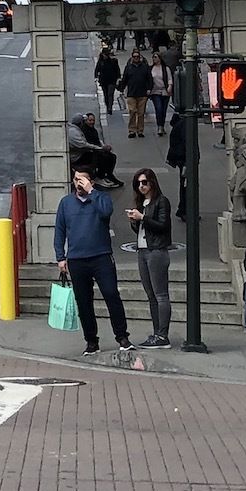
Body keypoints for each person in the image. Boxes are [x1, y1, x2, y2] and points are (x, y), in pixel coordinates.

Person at [54, 166, 132, 356]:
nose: (78, 183)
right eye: (76, 179)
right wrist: (60, 257)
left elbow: (106, 213)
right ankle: (91, 341)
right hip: (77, 259)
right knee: (84, 302)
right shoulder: (65, 203)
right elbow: (60, 231)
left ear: (91, 182)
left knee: (111, 294)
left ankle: (122, 336)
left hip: (101, 256)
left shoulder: (101, 198)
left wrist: (91, 192)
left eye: (82, 179)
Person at [127, 167, 173, 348]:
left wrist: (143, 217)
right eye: (138, 183)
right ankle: (157, 333)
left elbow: (162, 225)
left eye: (144, 182)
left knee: (161, 294)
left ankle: (163, 335)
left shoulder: (162, 201)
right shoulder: (141, 203)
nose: (141, 186)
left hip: (156, 251)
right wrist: (134, 220)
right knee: (151, 294)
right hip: (143, 250)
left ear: (152, 183)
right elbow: (140, 230)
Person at [67, 113, 119, 187]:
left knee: (105, 155)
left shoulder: (78, 130)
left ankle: (104, 176)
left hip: (80, 154)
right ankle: (99, 177)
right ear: (80, 123)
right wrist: (100, 148)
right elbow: (83, 145)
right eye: (85, 121)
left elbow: (95, 141)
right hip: (77, 157)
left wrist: (101, 147)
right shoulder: (73, 132)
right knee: (100, 157)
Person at [119, 49, 153, 139]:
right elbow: (125, 79)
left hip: (142, 93)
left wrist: (149, 89)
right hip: (131, 93)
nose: (136, 58)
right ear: (132, 57)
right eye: (134, 57)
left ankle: (140, 130)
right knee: (132, 111)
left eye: (137, 56)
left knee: (141, 113)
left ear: (140, 57)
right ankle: (132, 130)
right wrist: (122, 89)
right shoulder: (128, 67)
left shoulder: (145, 67)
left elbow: (149, 79)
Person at [166, 109, 187, 221]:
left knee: (185, 185)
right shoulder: (184, 124)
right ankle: (184, 210)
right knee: (187, 186)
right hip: (185, 160)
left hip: (181, 159)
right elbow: (187, 143)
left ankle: (183, 209)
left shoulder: (180, 123)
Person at [148, 49, 173, 137]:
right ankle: (159, 126)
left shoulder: (166, 68)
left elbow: (170, 78)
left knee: (163, 110)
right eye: (153, 57)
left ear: (160, 58)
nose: (154, 59)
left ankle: (162, 125)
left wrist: (169, 86)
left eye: (155, 57)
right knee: (158, 108)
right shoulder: (151, 69)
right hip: (155, 91)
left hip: (164, 91)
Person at [94, 45, 121, 115]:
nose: (105, 56)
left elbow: (117, 70)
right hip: (103, 81)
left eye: (106, 54)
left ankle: (110, 108)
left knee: (110, 94)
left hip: (112, 80)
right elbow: (97, 69)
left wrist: (118, 78)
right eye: (104, 54)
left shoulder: (113, 61)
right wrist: (96, 77)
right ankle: (107, 105)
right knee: (105, 95)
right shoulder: (101, 61)